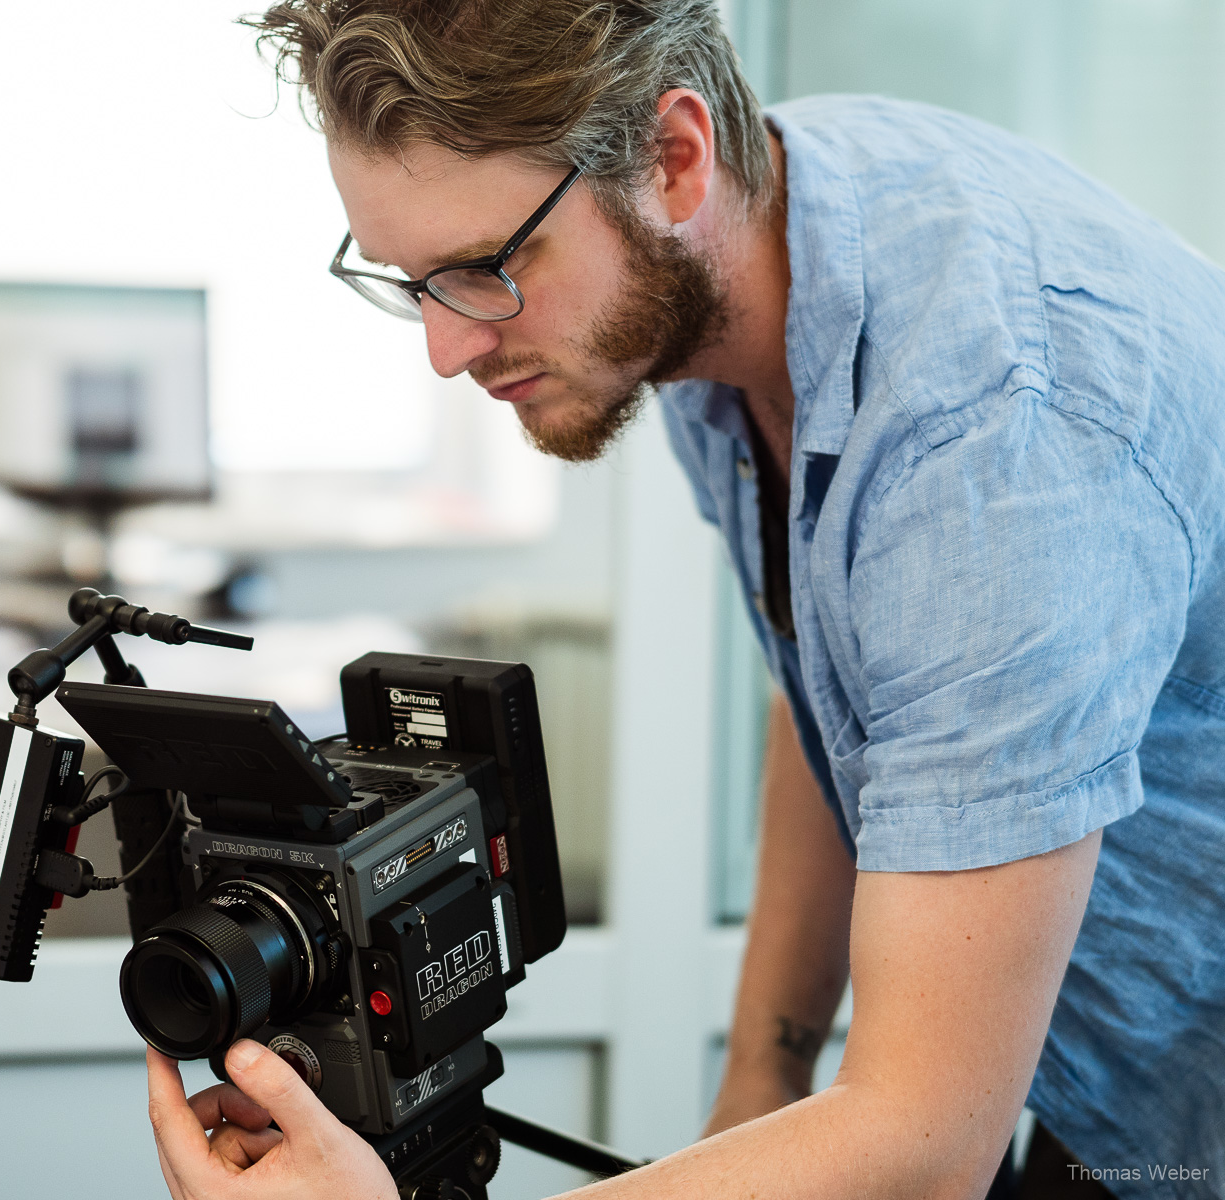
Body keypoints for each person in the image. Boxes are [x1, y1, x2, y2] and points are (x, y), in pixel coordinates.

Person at [144, 3, 1225, 1198]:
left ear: (673, 158)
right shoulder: (757, 254)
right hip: (1080, 1067)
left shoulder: (987, 446)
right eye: (411, 284)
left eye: (487, 269)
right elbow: (853, 687)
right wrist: (758, 1091)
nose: (447, 351)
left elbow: (925, 1150)